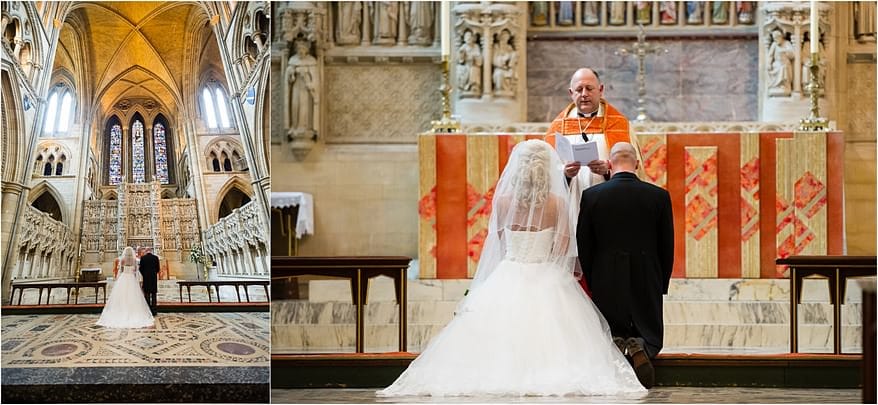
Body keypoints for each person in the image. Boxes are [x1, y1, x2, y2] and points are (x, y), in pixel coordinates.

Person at [378, 140, 647, 396]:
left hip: (509, 271)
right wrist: (550, 270)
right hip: (546, 274)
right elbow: (565, 248)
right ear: (547, 169)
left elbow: (499, 242)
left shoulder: (504, 201)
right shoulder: (557, 202)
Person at [576, 142, 675, 389]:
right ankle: (642, 345)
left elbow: (584, 241)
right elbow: (667, 243)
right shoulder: (659, 195)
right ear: (637, 164)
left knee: (610, 320)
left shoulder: (592, 196)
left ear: (609, 165)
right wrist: (662, 280)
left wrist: (592, 273)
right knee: (647, 321)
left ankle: (618, 343)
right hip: (646, 267)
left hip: (605, 270)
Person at [544, 67, 643, 217]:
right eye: (579, 89)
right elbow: (545, 170)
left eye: (589, 88)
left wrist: (609, 169)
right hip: (570, 206)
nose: (584, 94)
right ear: (571, 93)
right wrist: (565, 174)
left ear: (601, 89)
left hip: (608, 202)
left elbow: (634, 167)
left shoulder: (618, 124)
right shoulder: (558, 127)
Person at [97, 246, 154, 328]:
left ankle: (121, 312)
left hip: (124, 278)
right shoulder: (134, 260)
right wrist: (137, 279)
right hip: (131, 278)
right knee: (133, 296)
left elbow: (120, 270)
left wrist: (118, 279)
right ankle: (133, 312)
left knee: (122, 296)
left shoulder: (123, 260)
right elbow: (136, 270)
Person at [139, 247, 160, 315]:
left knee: (147, 294)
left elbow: (140, 269)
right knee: (153, 294)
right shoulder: (155, 258)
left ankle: (147, 310)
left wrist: (144, 274)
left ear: (146, 251)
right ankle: (154, 311)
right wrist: (153, 273)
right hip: (153, 278)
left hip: (146, 278)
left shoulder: (143, 258)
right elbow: (158, 269)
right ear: (151, 251)